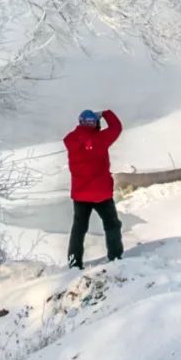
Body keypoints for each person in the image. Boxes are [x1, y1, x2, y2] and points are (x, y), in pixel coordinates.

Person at [63, 108, 124, 270]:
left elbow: (75, 138)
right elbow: (116, 127)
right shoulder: (102, 139)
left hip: (81, 194)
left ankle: (74, 263)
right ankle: (115, 257)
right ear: (95, 123)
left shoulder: (71, 140)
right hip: (101, 194)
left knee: (79, 229)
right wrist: (106, 113)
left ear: (80, 122)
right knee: (112, 225)